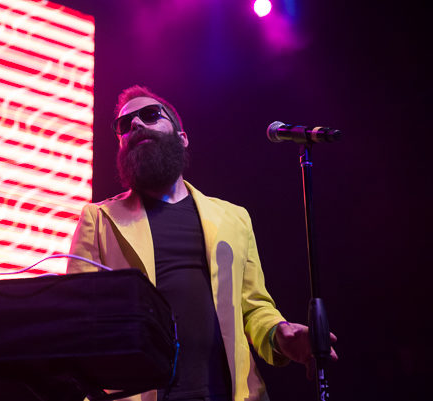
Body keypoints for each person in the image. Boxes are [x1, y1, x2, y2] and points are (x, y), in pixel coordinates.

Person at [66, 85, 337, 401]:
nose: (135, 124)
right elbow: (78, 320)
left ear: (182, 137)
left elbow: (253, 307)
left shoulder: (234, 218)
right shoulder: (98, 220)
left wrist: (279, 334)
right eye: (124, 125)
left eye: (150, 115)